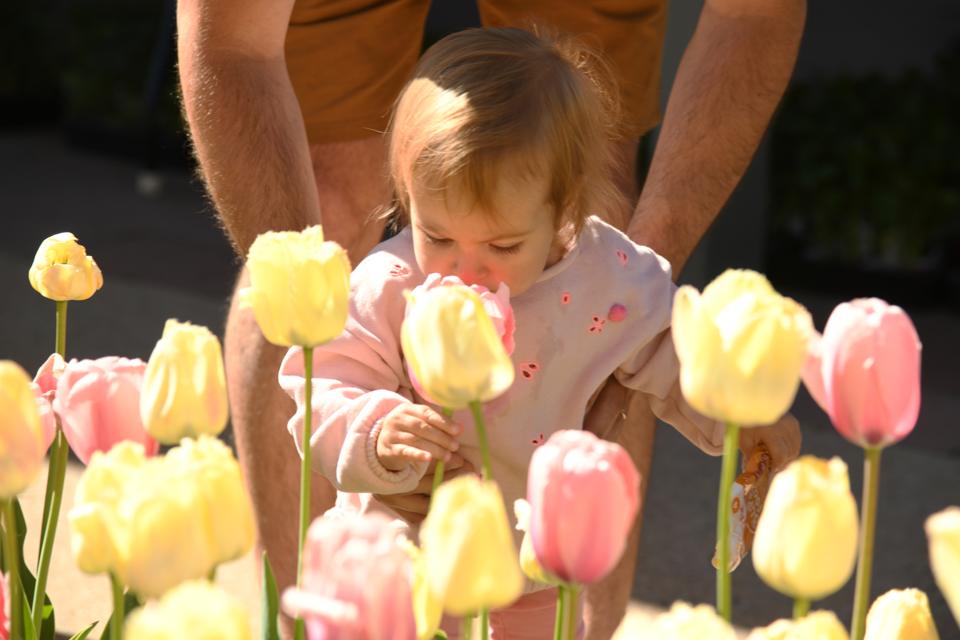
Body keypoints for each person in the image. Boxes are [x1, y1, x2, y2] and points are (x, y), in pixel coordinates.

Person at [176, 1, 806, 636]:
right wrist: (373, 435)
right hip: (398, 555)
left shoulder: (606, 278)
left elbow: (670, 356)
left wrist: (738, 415)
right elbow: (321, 387)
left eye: (503, 246)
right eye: (436, 233)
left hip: (527, 570)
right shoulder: (389, 283)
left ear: (564, 211)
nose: (463, 271)